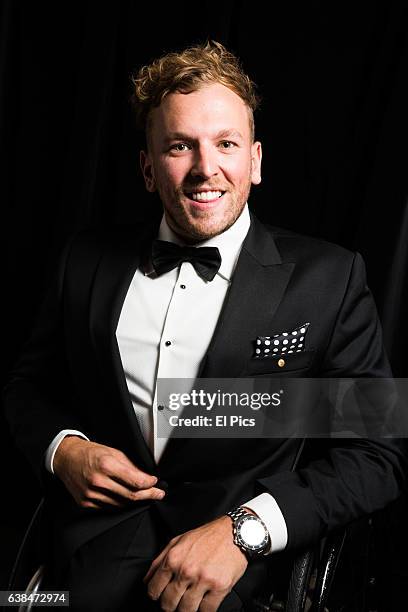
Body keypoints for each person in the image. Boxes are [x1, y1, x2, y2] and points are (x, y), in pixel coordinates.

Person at [3, 40, 406, 612]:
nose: (205, 168)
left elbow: (375, 451)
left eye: (225, 144)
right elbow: (26, 387)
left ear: (256, 160)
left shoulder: (330, 278)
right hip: (82, 557)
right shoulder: (85, 261)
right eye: (179, 146)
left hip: (240, 573)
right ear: (148, 167)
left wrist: (245, 531)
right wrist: (62, 450)